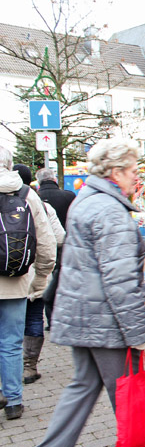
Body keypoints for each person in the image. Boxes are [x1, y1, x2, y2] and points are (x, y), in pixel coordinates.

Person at [25, 139, 145, 447]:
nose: (136, 177)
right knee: (125, 385)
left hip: (83, 314)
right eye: (132, 171)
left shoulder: (89, 200)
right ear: (115, 173)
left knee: (84, 385)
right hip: (104, 318)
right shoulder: (110, 211)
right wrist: (137, 331)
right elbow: (120, 281)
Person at [0, 152, 56, 420]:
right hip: (16, 279)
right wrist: (40, 279)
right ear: (10, 165)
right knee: (11, 343)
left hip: (16, 280)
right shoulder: (25, 193)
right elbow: (46, 242)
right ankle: (13, 400)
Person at [12, 165, 65, 385]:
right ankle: (29, 367)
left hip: (6, 277)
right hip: (32, 272)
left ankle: (8, 372)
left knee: (8, 326)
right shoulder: (39, 205)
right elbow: (59, 237)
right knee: (34, 318)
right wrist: (43, 272)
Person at [34, 168, 76, 329]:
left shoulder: (35, 198)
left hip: (41, 245)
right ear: (54, 179)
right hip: (65, 245)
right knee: (65, 281)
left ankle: (51, 320)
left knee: (45, 282)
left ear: (39, 182)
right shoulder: (68, 196)